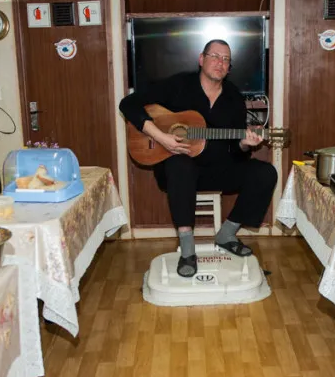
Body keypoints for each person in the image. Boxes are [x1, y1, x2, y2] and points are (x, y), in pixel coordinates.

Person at [119, 39, 278, 278]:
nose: (220, 63)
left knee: (266, 173)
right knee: (180, 163)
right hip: (177, 173)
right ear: (201, 59)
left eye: (226, 59)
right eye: (215, 56)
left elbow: (235, 152)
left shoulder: (234, 98)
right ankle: (187, 249)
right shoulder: (178, 85)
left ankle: (227, 234)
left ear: (229, 67)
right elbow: (128, 103)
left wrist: (244, 144)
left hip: (217, 170)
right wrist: (161, 137)